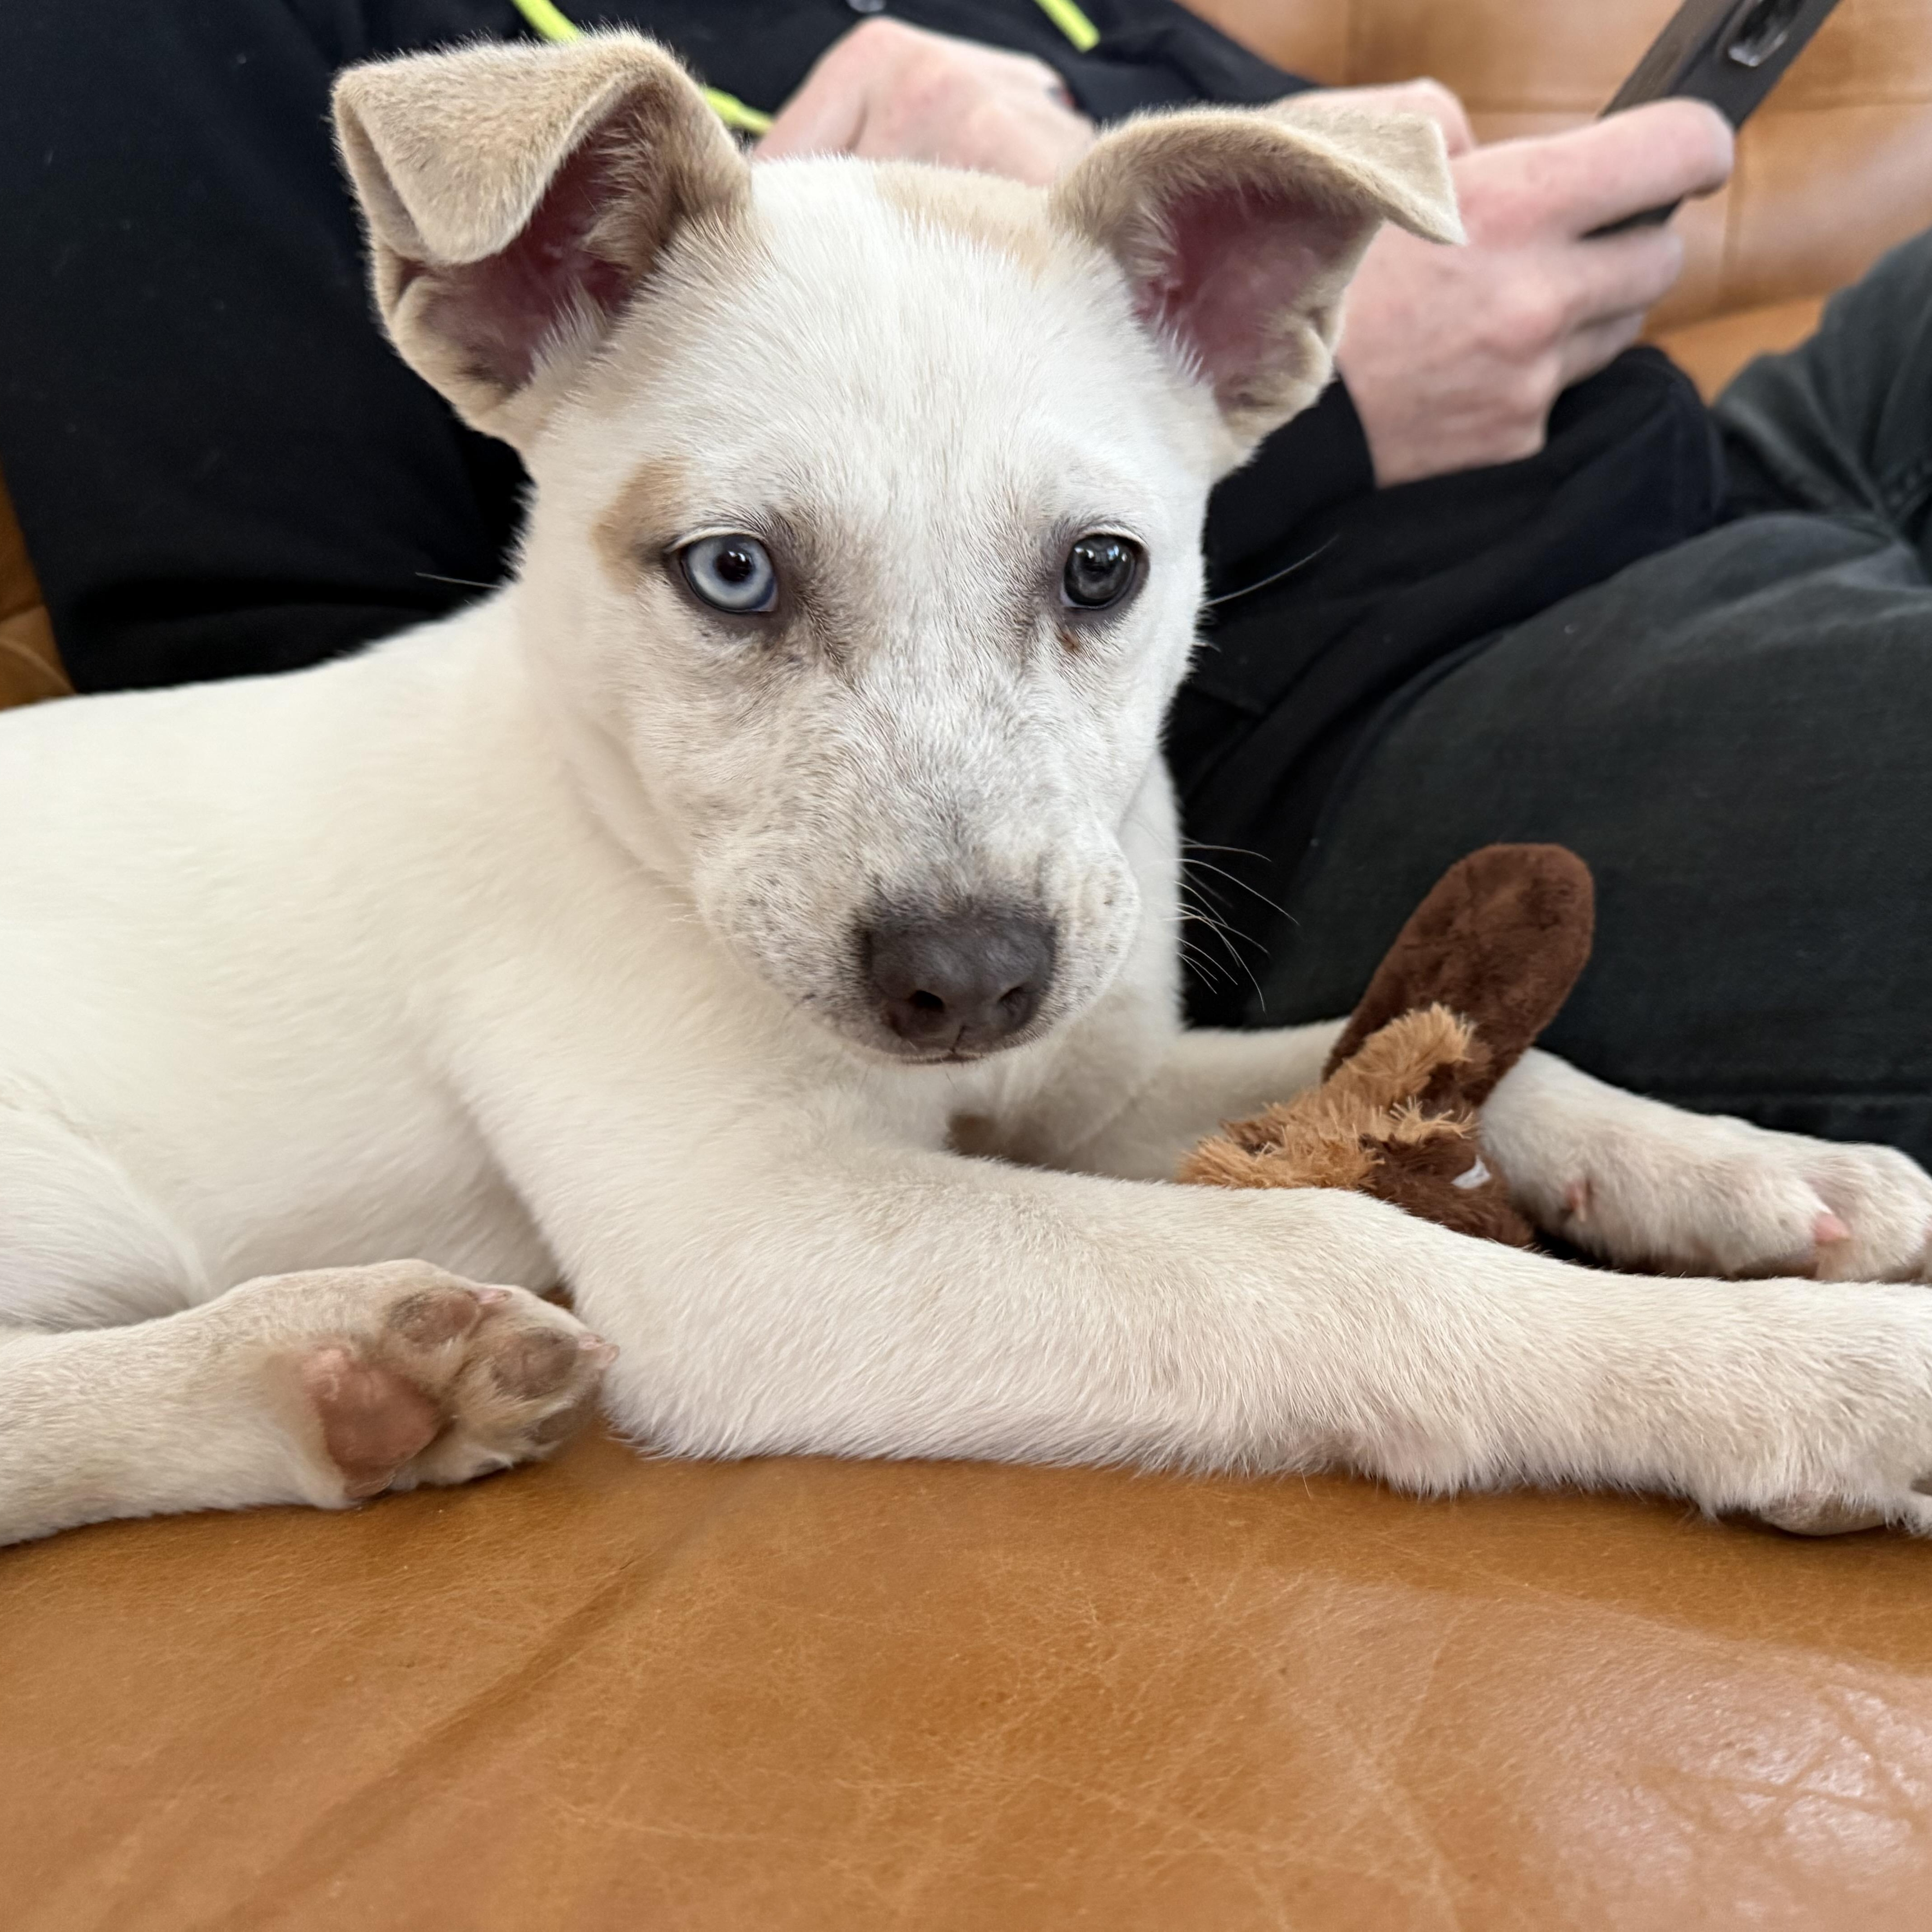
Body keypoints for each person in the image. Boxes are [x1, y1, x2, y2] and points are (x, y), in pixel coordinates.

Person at [1, 1, 1926, 1158]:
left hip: (1724, 442)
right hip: (1418, 700)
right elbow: (302, 695)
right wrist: (1348, 418)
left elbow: (1179, 325)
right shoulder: (167, 37)